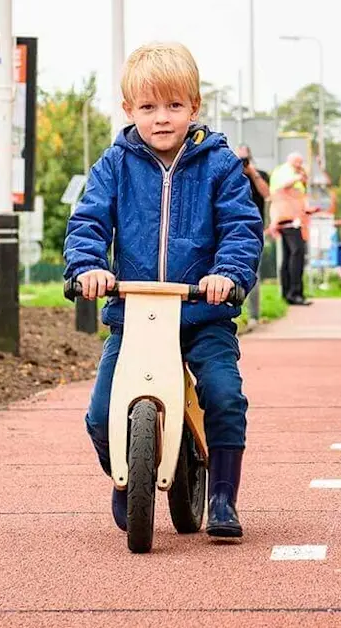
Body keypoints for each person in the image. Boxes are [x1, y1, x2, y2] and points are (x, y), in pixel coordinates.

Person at [65, 42, 261, 542]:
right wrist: (88, 266)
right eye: (148, 107)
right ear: (129, 110)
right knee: (100, 412)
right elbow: (88, 221)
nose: (162, 118)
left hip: (201, 313)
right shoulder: (115, 165)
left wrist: (227, 276)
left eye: (174, 106)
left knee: (223, 393)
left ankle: (221, 495)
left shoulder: (218, 165)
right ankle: (124, 474)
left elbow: (241, 227)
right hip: (134, 316)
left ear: (194, 107)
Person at [266, 153, 316, 306]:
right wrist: (298, 177)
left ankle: (288, 293)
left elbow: (296, 196)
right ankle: (295, 293)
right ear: (293, 161)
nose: (300, 167)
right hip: (289, 219)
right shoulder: (285, 172)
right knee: (297, 253)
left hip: (290, 218)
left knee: (289, 255)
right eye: (299, 163)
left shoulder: (289, 172)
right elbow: (282, 189)